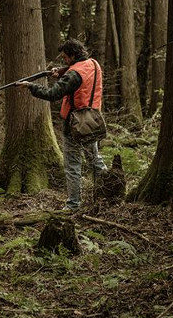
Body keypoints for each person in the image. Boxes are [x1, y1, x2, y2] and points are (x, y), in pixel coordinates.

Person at [15, 39, 107, 211]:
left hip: (75, 124)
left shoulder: (73, 74)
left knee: (73, 166)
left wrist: (30, 86)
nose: (64, 60)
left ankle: (73, 205)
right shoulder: (93, 64)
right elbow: (80, 74)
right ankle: (108, 194)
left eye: (65, 57)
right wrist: (62, 71)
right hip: (92, 121)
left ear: (73, 55)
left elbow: (52, 94)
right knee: (95, 161)